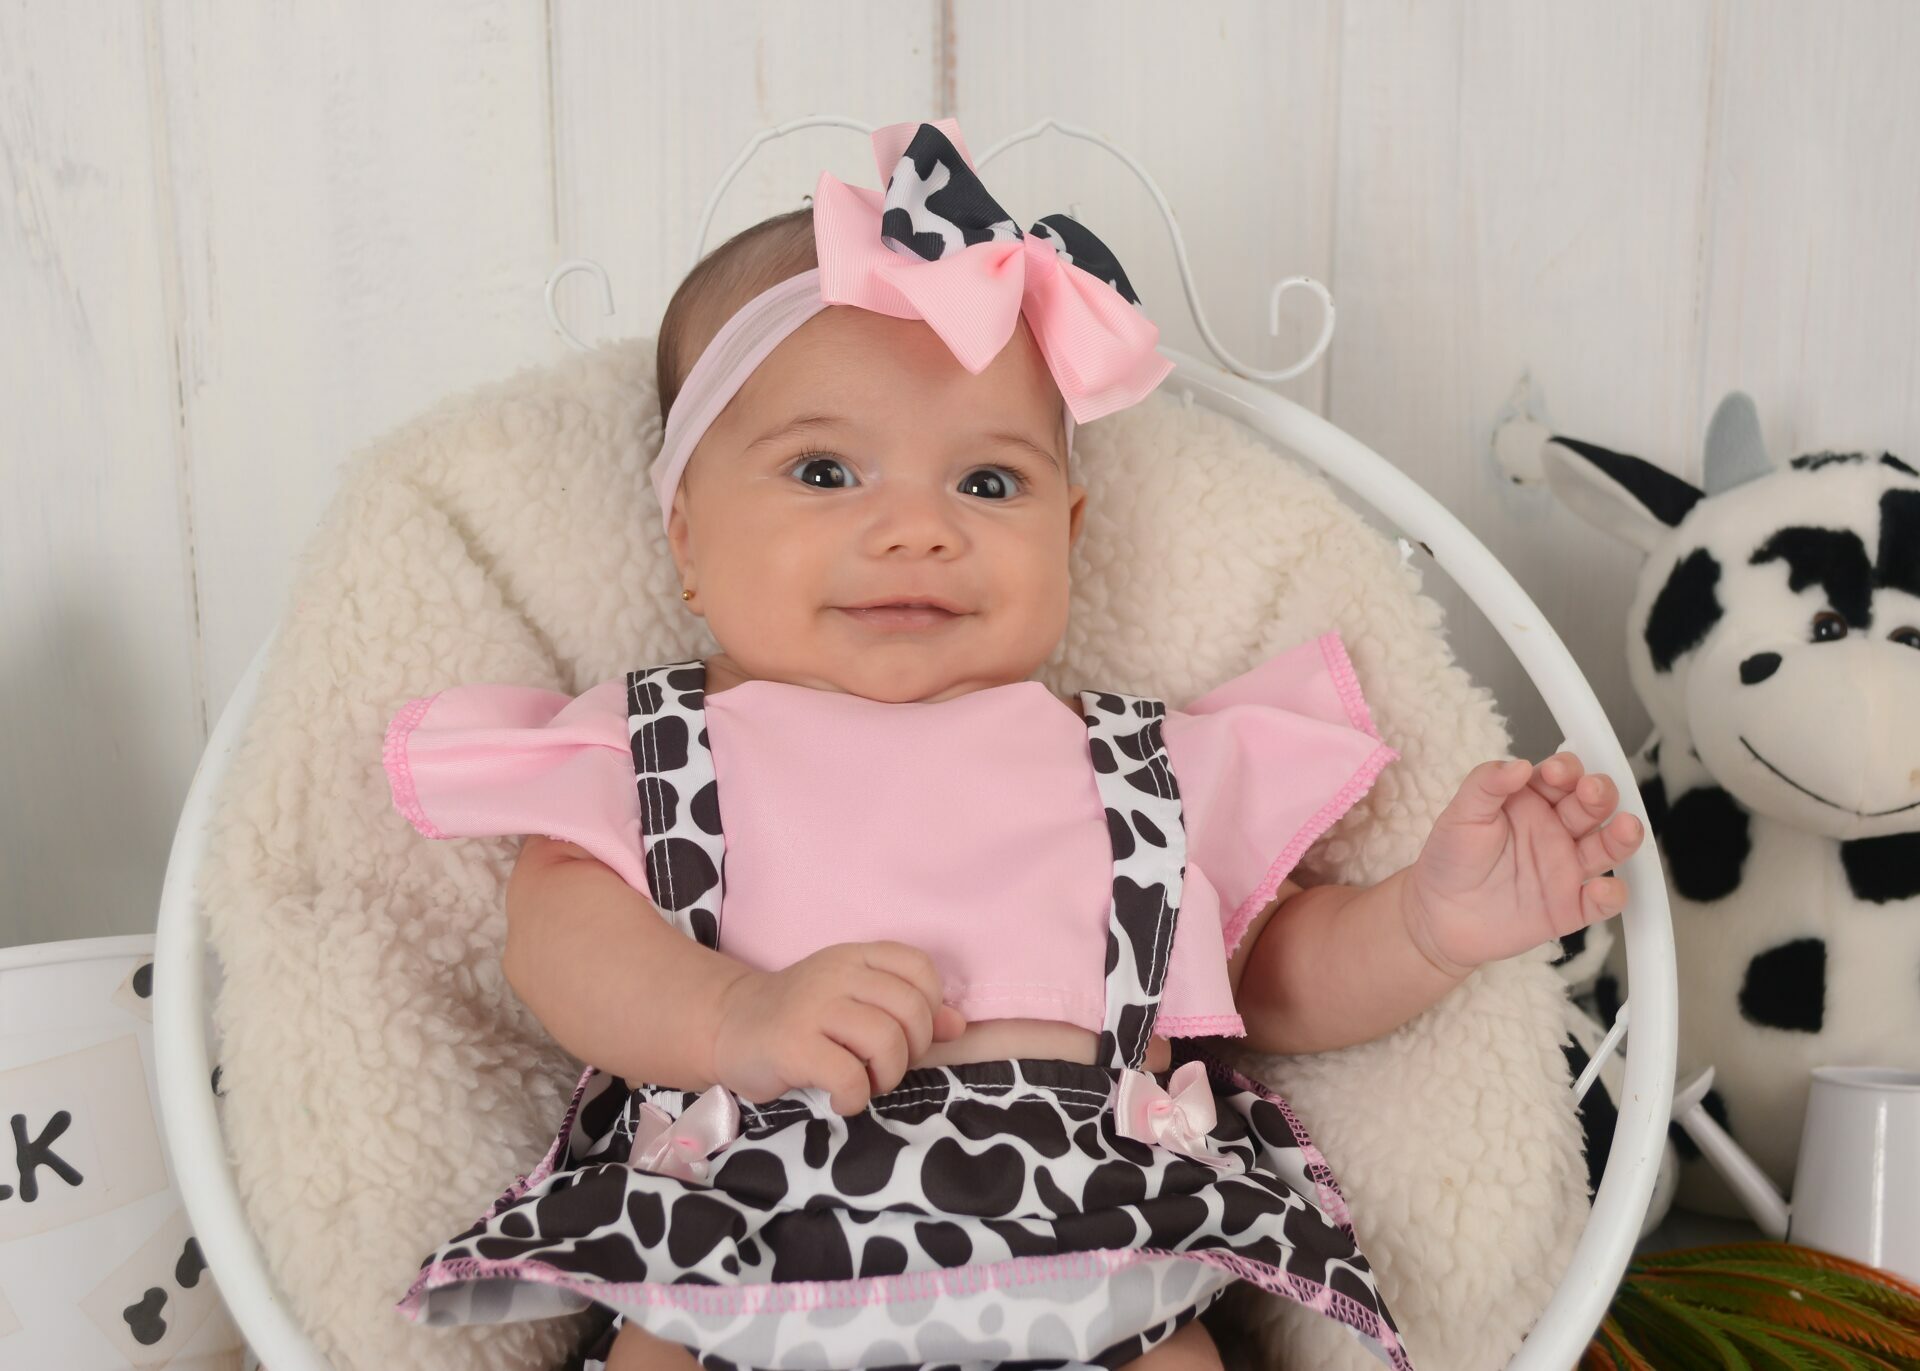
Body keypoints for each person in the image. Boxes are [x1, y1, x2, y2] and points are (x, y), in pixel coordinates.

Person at [381, 118, 1643, 1371]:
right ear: (687, 539)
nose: (917, 530)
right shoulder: (660, 745)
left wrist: (1427, 925)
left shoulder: (1133, 766)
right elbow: (560, 940)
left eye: (987, 485)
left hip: (1096, 1258)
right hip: (743, 1257)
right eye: (824, 472)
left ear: (1070, 533)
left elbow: (1261, 981)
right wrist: (733, 1018)